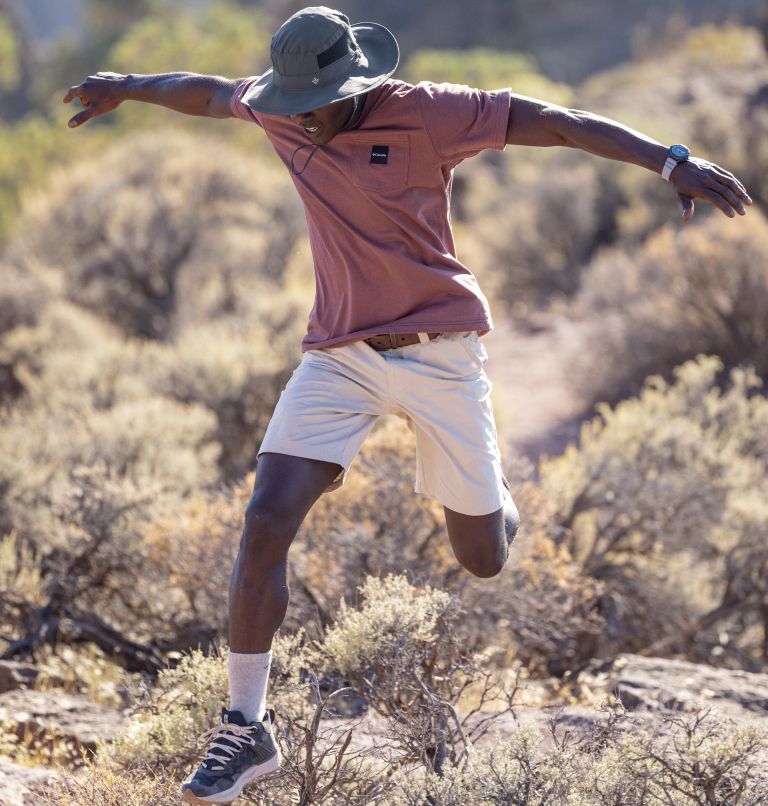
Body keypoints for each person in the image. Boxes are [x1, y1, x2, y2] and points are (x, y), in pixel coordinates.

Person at [64, 6, 752, 804]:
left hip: (441, 354)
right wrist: (126, 87)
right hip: (340, 356)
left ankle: (495, 505)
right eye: (294, 103)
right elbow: (208, 91)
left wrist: (669, 163)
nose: (304, 118)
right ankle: (246, 726)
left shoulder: (429, 112)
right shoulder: (280, 105)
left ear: (353, 85)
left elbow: (557, 123)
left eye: (318, 101)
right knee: (264, 521)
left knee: (482, 558)